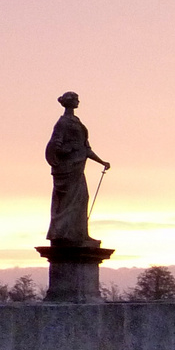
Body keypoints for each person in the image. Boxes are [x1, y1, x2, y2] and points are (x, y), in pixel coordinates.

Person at [46, 92, 110, 246]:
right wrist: (69, 150)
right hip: (68, 169)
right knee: (68, 201)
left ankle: (79, 233)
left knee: (82, 199)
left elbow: (86, 149)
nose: (78, 101)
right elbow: (56, 146)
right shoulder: (62, 123)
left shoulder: (76, 122)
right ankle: (63, 233)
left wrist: (102, 162)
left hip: (77, 168)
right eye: (76, 99)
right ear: (70, 102)